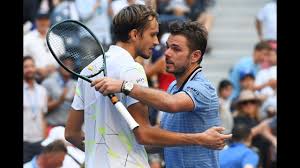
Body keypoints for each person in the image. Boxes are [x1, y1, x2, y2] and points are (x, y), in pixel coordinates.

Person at [66, 5, 231, 168]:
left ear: (195, 56)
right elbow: (145, 135)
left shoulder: (89, 70)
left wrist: (99, 154)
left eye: (175, 49)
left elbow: (71, 134)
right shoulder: (133, 69)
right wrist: (199, 139)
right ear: (135, 34)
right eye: (153, 34)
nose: (157, 43)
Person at [23, 56, 48, 163]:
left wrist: (45, 139)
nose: (29, 69)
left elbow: (43, 116)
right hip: (24, 140)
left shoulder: (42, 90)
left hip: (39, 140)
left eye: (32, 66)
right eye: (25, 67)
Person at [41, 56, 77, 129]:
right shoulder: (48, 83)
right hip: (51, 126)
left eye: (71, 65)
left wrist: (76, 100)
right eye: (65, 64)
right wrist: (60, 101)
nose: (68, 67)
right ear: (59, 66)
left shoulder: (76, 85)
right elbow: (43, 109)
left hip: (68, 129)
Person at [23, 12, 59, 81]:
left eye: (45, 20)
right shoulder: (27, 38)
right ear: (36, 22)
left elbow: (62, 59)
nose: (43, 23)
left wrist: (53, 67)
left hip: (55, 78)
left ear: (49, 21)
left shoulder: (58, 39)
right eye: (40, 20)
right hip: (33, 77)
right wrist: (36, 69)